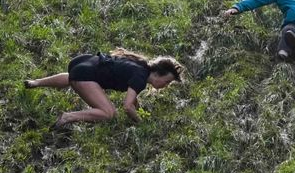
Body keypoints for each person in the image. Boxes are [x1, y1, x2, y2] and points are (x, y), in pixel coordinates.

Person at [23, 48, 184, 128]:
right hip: (85, 75)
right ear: (158, 74)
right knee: (109, 114)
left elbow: (133, 99)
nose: (165, 86)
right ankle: (67, 117)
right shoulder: (140, 78)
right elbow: (127, 106)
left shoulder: (140, 66)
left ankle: (35, 82)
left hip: (82, 63)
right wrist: (141, 123)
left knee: (72, 77)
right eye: (167, 81)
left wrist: (139, 109)